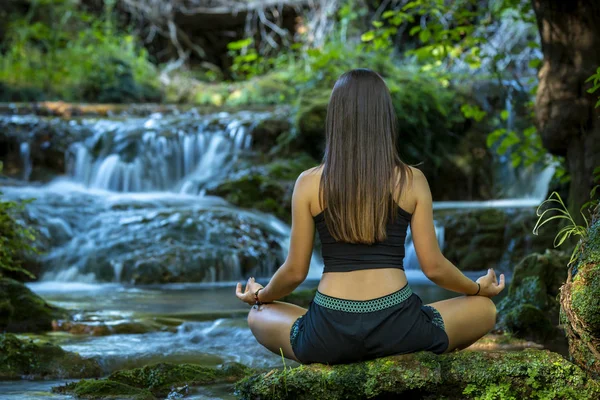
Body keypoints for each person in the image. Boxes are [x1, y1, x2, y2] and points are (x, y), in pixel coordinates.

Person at [235, 68, 505, 365]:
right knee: (485, 310)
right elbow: (434, 268)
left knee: (257, 316)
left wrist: (261, 296)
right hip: (399, 325)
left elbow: (296, 271)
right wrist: (477, 289)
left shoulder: (309, 183)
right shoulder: (411, 180)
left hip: (330, 330)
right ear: (385, 118)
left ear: (336, 118)